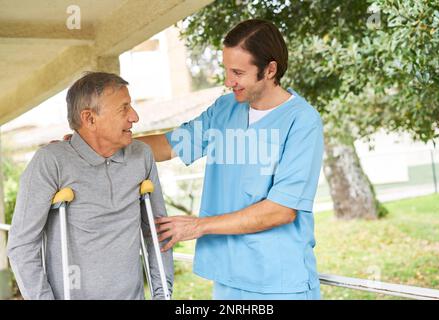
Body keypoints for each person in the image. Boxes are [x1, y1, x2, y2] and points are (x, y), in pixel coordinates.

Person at [137, 19, 324, 300]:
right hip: (228, 278)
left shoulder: (302, 121)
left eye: (238, 72)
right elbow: (166, 146)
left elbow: (281, 210)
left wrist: (197, 226)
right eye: (226, 70)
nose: (228, 81)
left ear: (270, 70)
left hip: (278, 282)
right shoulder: (225, 110)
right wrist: (101, 142)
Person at [7, 72, 173, 300]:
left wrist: (162, 294)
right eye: (123, 108)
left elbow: (157, 232)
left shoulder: (141, 156)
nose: (134, 117)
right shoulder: (51, 162)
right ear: (90, 119)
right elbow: (22, 246)